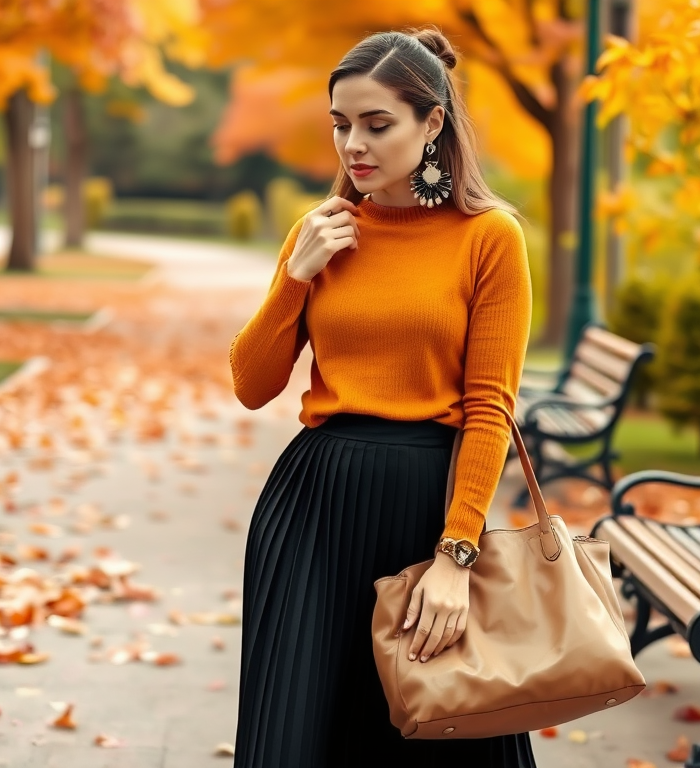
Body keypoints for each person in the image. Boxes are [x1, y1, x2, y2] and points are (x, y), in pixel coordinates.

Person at [228, 25, 536, 768]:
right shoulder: (321, 232)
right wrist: (296, 278)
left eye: (376, 124)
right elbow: (251, 384)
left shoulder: (488, 237)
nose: (353, 146)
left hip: (423, 506)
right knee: (297, 733)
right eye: (341, 125)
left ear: (431, 123)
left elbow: (489, 409)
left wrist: (456, 555)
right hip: (311, 511)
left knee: (436, 728)